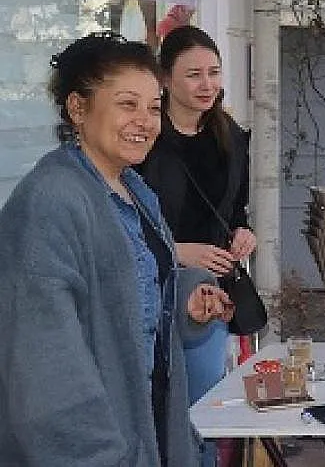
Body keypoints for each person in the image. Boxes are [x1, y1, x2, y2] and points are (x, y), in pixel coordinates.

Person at [0, 32, 233, 466]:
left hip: (150, 428)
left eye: (154, 108)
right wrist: (98, 455)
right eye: (128, 104)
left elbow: (131, 300)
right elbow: (43, 361)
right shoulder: (50, 201)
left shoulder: (134, 191)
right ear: (78, 108)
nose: (145, 122)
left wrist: (185, 299)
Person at [136, 25, 255, 467]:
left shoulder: (231, 136)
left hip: (208, 293)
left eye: (214, 73)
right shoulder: (144, 140)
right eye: (193, 74)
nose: (207, 85)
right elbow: (124, 219)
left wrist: (242, 233)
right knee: (154, 409)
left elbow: (236, 209)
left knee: (204, 409)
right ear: (165, 79)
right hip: (148, 289)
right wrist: (177, 250)